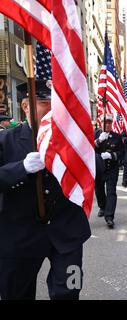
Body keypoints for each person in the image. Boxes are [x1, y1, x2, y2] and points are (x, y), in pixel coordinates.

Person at [0, 81, 91, 300]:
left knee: (71, 289)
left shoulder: (73, 139)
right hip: (20, 236)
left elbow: (95, 167)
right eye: (43, 102)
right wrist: (21, 168)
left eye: (55, 104)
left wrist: (79, 157)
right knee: (15, 294)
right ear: (25, 106)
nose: (51, 109)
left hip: (67, 231)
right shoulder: (6, 141)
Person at [94, 114, 124, 229]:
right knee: (99, 190)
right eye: (105, 122)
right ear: (101, 123)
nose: (107, 125)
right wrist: (98, 141)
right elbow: (88, 149)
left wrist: (111, 155)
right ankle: (102, 207)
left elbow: (122, 152)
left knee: (111, 192)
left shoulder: (116, 137)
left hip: (111, 168)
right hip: (99, 168)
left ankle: (109, 217)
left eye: (109, 123)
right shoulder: (95, 134)